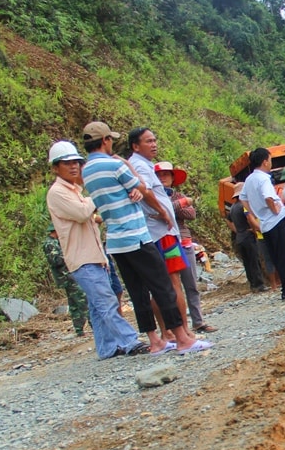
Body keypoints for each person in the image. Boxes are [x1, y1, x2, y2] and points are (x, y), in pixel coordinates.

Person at [80, 121, 211, 355]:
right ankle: (182, 339)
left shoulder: (86, 171)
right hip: (137, 235)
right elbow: (142, 188)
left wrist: (135, 190)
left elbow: (133, 191)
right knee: (163, 285)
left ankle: (155, 341)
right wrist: (161, 211)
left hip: (116, 240)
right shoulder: (115, 165)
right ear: (105, 141)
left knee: (137, 291)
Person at [45, 140, 147, 359]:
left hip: (94, 256)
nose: (73, 167)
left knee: (97, 305)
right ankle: (129, 341)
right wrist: (102, 195)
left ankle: (107, 347)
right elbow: (83, 213)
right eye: (66, 163)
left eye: (76, 162)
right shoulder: (57, 193)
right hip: (82, 258)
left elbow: (89, 218)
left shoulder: (75, 191)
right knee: (106, 301)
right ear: (55, 168)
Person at [127, 127, 194, 342]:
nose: (154, 144)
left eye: (154, 140)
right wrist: (163, 212)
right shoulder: (138, 165)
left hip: (162, 232)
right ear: (135, 146)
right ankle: (182, 331)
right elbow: (145, 191)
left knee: (163, 283)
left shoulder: (143, 165)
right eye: (148, 141)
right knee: (171, 282)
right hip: (161, 233)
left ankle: (171, 331)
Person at [154, 161, 216, 333]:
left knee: (191, 284)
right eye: (159, 175)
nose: (162, 178)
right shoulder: (154, 197)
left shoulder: (175, 195)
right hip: (164, 241)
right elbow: (162, 213)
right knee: (171, 286)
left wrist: (175, 205)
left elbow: (191, 214)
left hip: (183, 241)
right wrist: (181, 203)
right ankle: (177, 326)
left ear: (173, 178)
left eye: (166, 174)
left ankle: (198, 321)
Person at [239, 147, 285, 301]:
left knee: (276, 257)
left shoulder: (249, 179)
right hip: (275, 221)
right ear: (265, 161)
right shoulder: (263, 178)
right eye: (270, 160)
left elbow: (243, 198)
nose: (270, 163)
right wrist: (274, 209)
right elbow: (269, 197)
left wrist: (255, 212)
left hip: (264, 223)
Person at [43, 222, 89, 336]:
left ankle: (79, 329)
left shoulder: (56, 242)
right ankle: (94, 326)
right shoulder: (50, 243)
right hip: (67, 276)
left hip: (68, 275)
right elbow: (55, 261)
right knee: (82, 300)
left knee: (74, 303)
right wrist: (69, 256)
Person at [228, 185, 268, 292]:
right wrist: (255, 229)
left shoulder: (232, 208)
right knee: (254, 260)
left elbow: (229, 222)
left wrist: (237, 231)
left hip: (239, 237)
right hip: (248, 236)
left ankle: (253, 284)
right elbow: (249, 218)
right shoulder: (243, 206)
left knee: (247, 262)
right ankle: (260, 285)